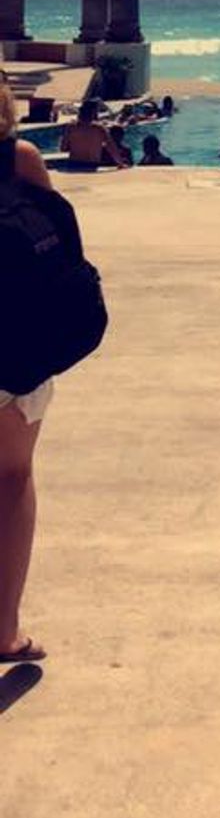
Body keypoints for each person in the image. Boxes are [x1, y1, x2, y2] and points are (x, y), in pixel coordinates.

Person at [0, 79, 54, 663]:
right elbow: (59, 252)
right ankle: (3, 631)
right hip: (10, 350)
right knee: (11, 477)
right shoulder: (18, 159)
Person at [60, 100, 128, 171]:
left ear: (80, 113)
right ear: (93, 114)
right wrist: (121, 163)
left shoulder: (71, 127)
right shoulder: (99, 129)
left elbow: (63, 148)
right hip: (91, 165)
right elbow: (111, 148)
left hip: (73, 164)